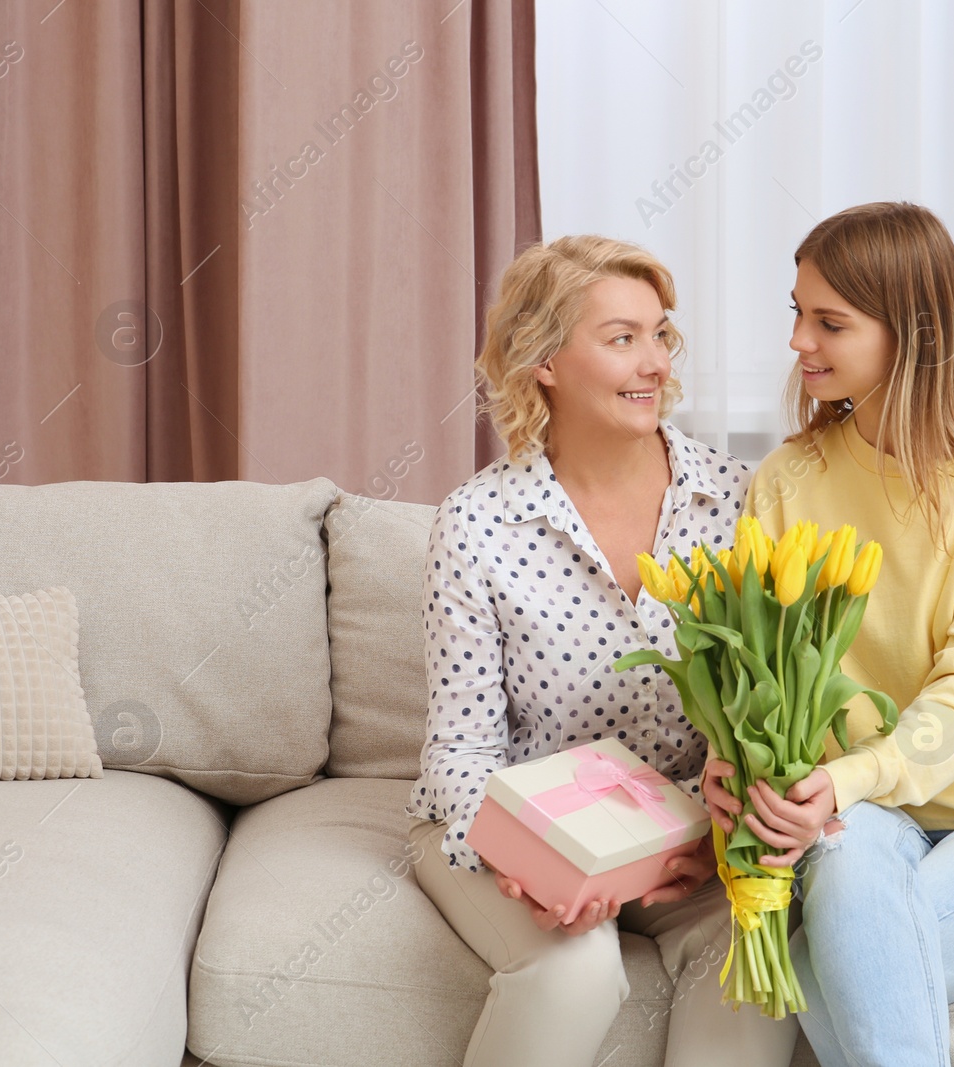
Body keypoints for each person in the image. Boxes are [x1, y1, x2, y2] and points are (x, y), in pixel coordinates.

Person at [700, 201, 954, 1067]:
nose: (798, 342)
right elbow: (753, 667)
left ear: (911, 333)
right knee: (849, 886)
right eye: (797, 313)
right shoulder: (787, 480)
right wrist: (732, 757)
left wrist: (850, 778)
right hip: (861, 809)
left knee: (823, 960)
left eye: (830, 322)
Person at [406, 234, 801, 1067]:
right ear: (543, 358)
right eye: (622, 338)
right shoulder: (477, 524)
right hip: (521, 834)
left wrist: (705, 836)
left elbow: (758, 719)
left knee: (757, 955)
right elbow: (458, 755)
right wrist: (538, 861)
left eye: (662, 334)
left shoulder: (738, 501)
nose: (655, 360)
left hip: (694, 838)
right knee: (574, 974)